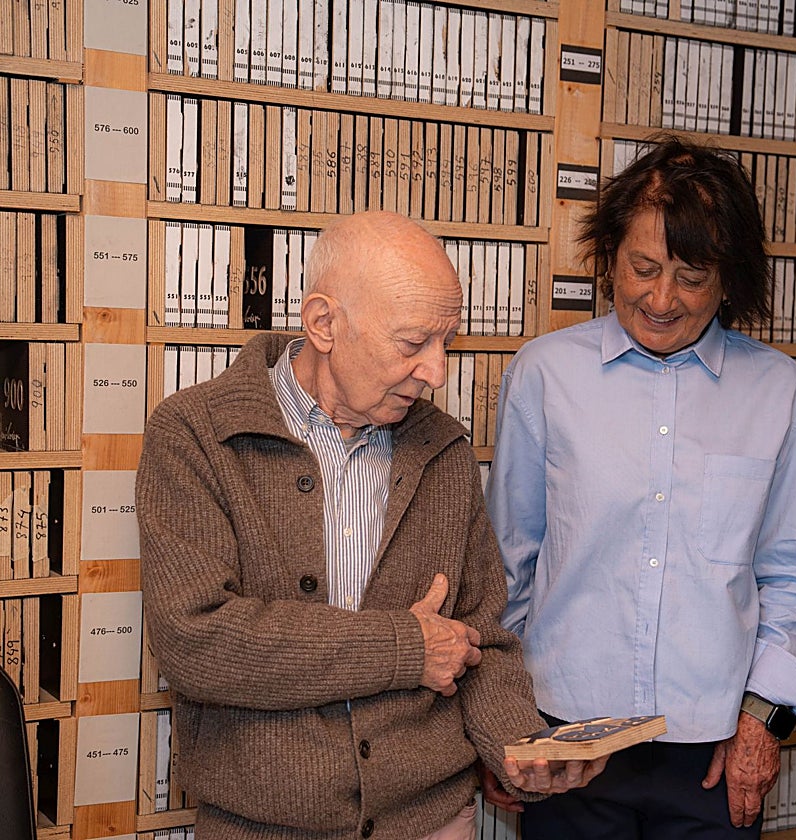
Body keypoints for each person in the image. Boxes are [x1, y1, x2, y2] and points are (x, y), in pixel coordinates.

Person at [136, 211, 606, 840]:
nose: (436, 371)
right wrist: (404, 650)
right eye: (413, 344)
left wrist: (519, 750)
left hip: (435, 818)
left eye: (446, 342)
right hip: (264, 823)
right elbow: (195, 641)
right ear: (324, 323)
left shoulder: (443, 447)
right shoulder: (195, 434)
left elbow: (481, 637)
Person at [483, 135, 796, 839]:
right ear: (608, 258)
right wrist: (500, 724)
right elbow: (508, 567)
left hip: (712, 751)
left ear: (730, 279)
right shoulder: (544, 377)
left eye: (691, 276)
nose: (660, 298)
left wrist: (760, 720)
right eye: (642, 268)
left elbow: (791, 576)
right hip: (568, 740)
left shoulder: (776, 391)